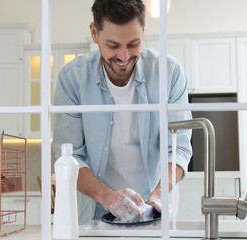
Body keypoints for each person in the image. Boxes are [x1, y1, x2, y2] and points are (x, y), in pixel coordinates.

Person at [53, 0, 192, 224]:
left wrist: (158, 194)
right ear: (94, 33)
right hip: (96, 210)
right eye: (113, 45)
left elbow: (179, 148)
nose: (124, 57)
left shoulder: (170, 73)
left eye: (134, 44)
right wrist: (108, 197)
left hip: (155, 206)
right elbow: (69, 156)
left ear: (144, 31)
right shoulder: (72, 79)